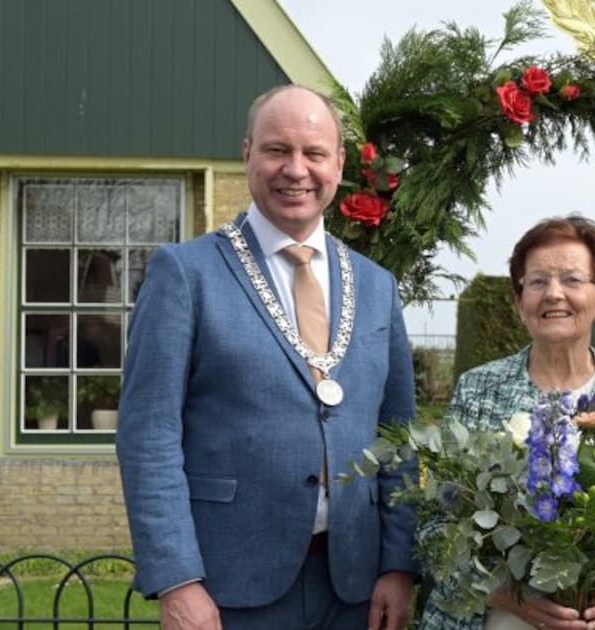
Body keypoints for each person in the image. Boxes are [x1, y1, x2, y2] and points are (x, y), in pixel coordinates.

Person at [116, 85, 419, 630]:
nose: (296, 170)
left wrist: (399, 566)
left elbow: (398, 437)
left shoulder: (377, 286)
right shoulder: (186, 274)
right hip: (227, 588)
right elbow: (148, 436)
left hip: (354, 588)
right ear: (247, 154)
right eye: (277, 150)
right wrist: (177, 580)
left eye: (314, 153)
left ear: (339, 164)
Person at [418, 216, 595, 630]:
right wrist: (504, 592)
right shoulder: (478, 389)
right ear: (520, 301)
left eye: (572, 279)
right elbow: (434, 523)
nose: (554, 293)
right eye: (537, 281)